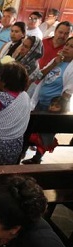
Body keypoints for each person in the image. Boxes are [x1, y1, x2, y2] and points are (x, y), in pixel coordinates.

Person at [23, 36, 73, 164]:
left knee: (46, 133)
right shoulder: (56, 60)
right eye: (67, 45)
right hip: (40, 100)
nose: (67, 48)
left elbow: (68, 91)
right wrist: (55, 63)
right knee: (30, 128)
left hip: (53, 106)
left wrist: (58, 106)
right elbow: (41, 74)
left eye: (71, 47)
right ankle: (22, 151)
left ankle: (37, 158)